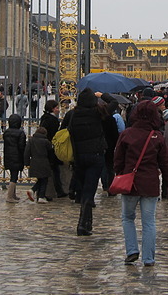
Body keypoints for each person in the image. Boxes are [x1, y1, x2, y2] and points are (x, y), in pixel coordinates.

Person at [113, 100, 168, 267]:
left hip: (130, 183)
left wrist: (120, 175)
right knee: (149, 222)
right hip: (150, 183)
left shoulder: (127, 134)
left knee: (127, 218)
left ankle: (132, 250)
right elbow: (165, 164)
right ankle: (149, 258)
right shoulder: (157, 137)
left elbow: (118, 159)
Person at [65, 88, 106, 236]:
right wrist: (101, 95)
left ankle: (83, 223)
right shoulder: (97, 114)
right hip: (95, 156)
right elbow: (113, 102)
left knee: (83, 190)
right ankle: (84, 224)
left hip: (79, 157)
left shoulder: (73, 115)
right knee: (90, 190)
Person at [39, 100, 67, 198]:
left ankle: (53, 191)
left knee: (51, 170)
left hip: (44, 146)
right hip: (51, 147)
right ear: (52, 109)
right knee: (54, 170)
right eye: (56, 108)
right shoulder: (52, 120)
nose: (58, 110)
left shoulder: (44, 118)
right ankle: (57, 191)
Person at [25, 126, 52, 203]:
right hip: (44, 162)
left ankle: (35, 192)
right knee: (44, 179)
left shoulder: (31, 140)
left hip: (34, 162)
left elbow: (26, 152)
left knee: (40, 179)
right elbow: (51, 153)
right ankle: (40, 195)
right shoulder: (46, 142)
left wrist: (27, 163)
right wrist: (52, 162)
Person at [3, 114, 26, 202]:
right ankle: (9, 196)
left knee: (13, 175)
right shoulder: (20, 133)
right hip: (17, 157)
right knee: (14, 177)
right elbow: (21, 146)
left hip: (8, 156)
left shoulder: (7, 132)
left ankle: (13, 194)